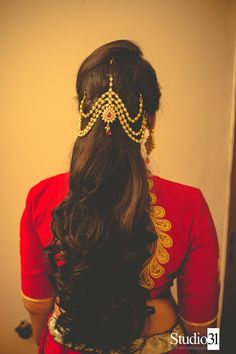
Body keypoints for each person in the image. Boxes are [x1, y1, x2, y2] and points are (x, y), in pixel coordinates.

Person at [20, 40, 220, 354]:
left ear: (83, 116)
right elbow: (202, 325)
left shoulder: (41, 196)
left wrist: (46, 343)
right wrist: (205, 344)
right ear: (150, 121)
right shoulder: (190, 204)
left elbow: (37, 308)